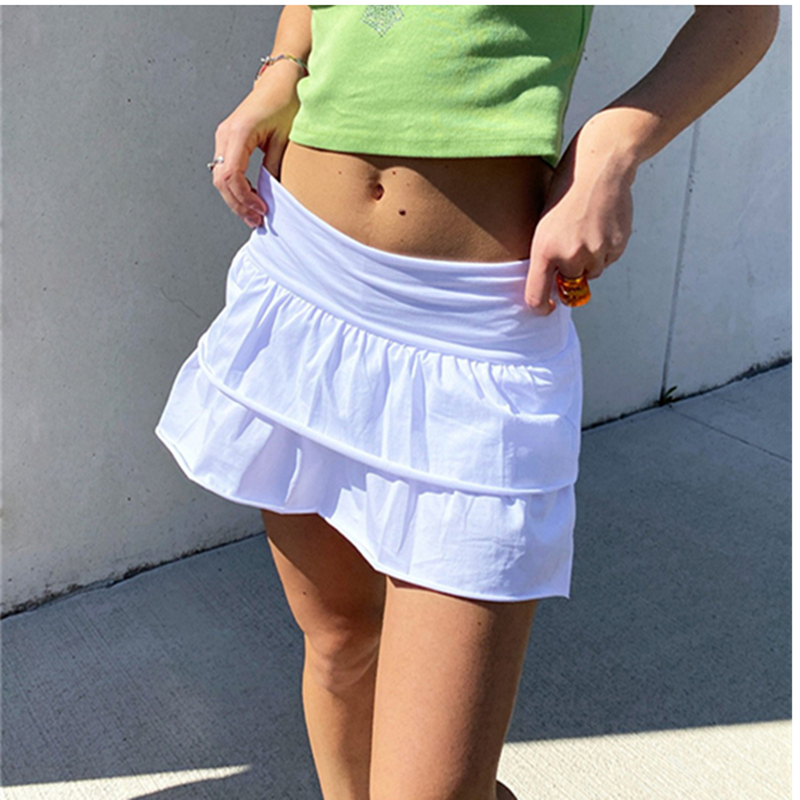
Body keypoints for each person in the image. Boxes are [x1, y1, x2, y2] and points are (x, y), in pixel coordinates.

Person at [156, 6, 779, 799]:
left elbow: (744, 17)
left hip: (476, 333)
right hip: (304, 275)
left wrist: (613, 145)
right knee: (340, 644)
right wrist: (282, 68)